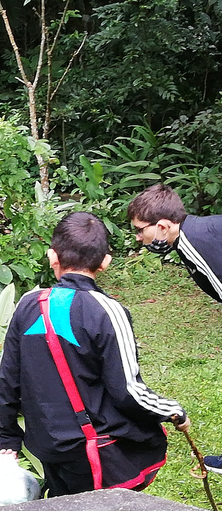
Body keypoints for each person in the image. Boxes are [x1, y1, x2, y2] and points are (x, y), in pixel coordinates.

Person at [0, 211, 190, 497]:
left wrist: (6, 440)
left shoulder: (27, 304)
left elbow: (8, 380)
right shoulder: (108, 310)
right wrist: (172, 410)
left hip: (46, 446)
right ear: (105, 262)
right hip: (91, 449)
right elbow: (127, 391)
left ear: (52, 257)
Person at [127, 183, 222, 471]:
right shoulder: (189, 234)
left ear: (164, 225)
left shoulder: (196, 243)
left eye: (141, 229)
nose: (139, 238)